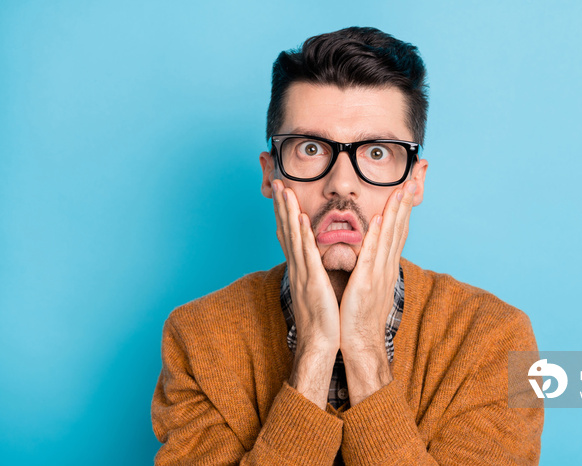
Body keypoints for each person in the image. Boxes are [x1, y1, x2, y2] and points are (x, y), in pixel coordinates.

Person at [152, 26, 543, 465]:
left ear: (415, 181)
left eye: (377, 152)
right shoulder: (198, 338)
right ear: (270, 174)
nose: (341, 184)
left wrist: (363, 349)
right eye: (311, 148)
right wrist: (315, 351)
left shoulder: (496, 339)